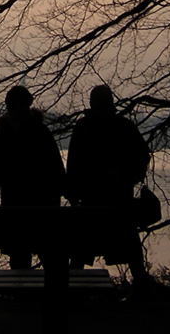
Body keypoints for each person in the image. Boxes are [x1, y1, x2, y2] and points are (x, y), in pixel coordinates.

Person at [66, 84, 151, 290]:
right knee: (83, 249)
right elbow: (73, 165)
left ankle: (141, 287)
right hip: (95, 199)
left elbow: (141, 157)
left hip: (116, 199)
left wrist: (123, 175)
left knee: (127, 247)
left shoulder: (112, 127)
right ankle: (71, 291)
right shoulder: (90, 128)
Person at [0, 85, 65, 269]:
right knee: (48, 259)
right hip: (41, 209)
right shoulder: (41, 133)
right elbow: (58, 174)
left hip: (16, 210)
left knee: (21, 261)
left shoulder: (1, 137)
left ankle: (23, 295)